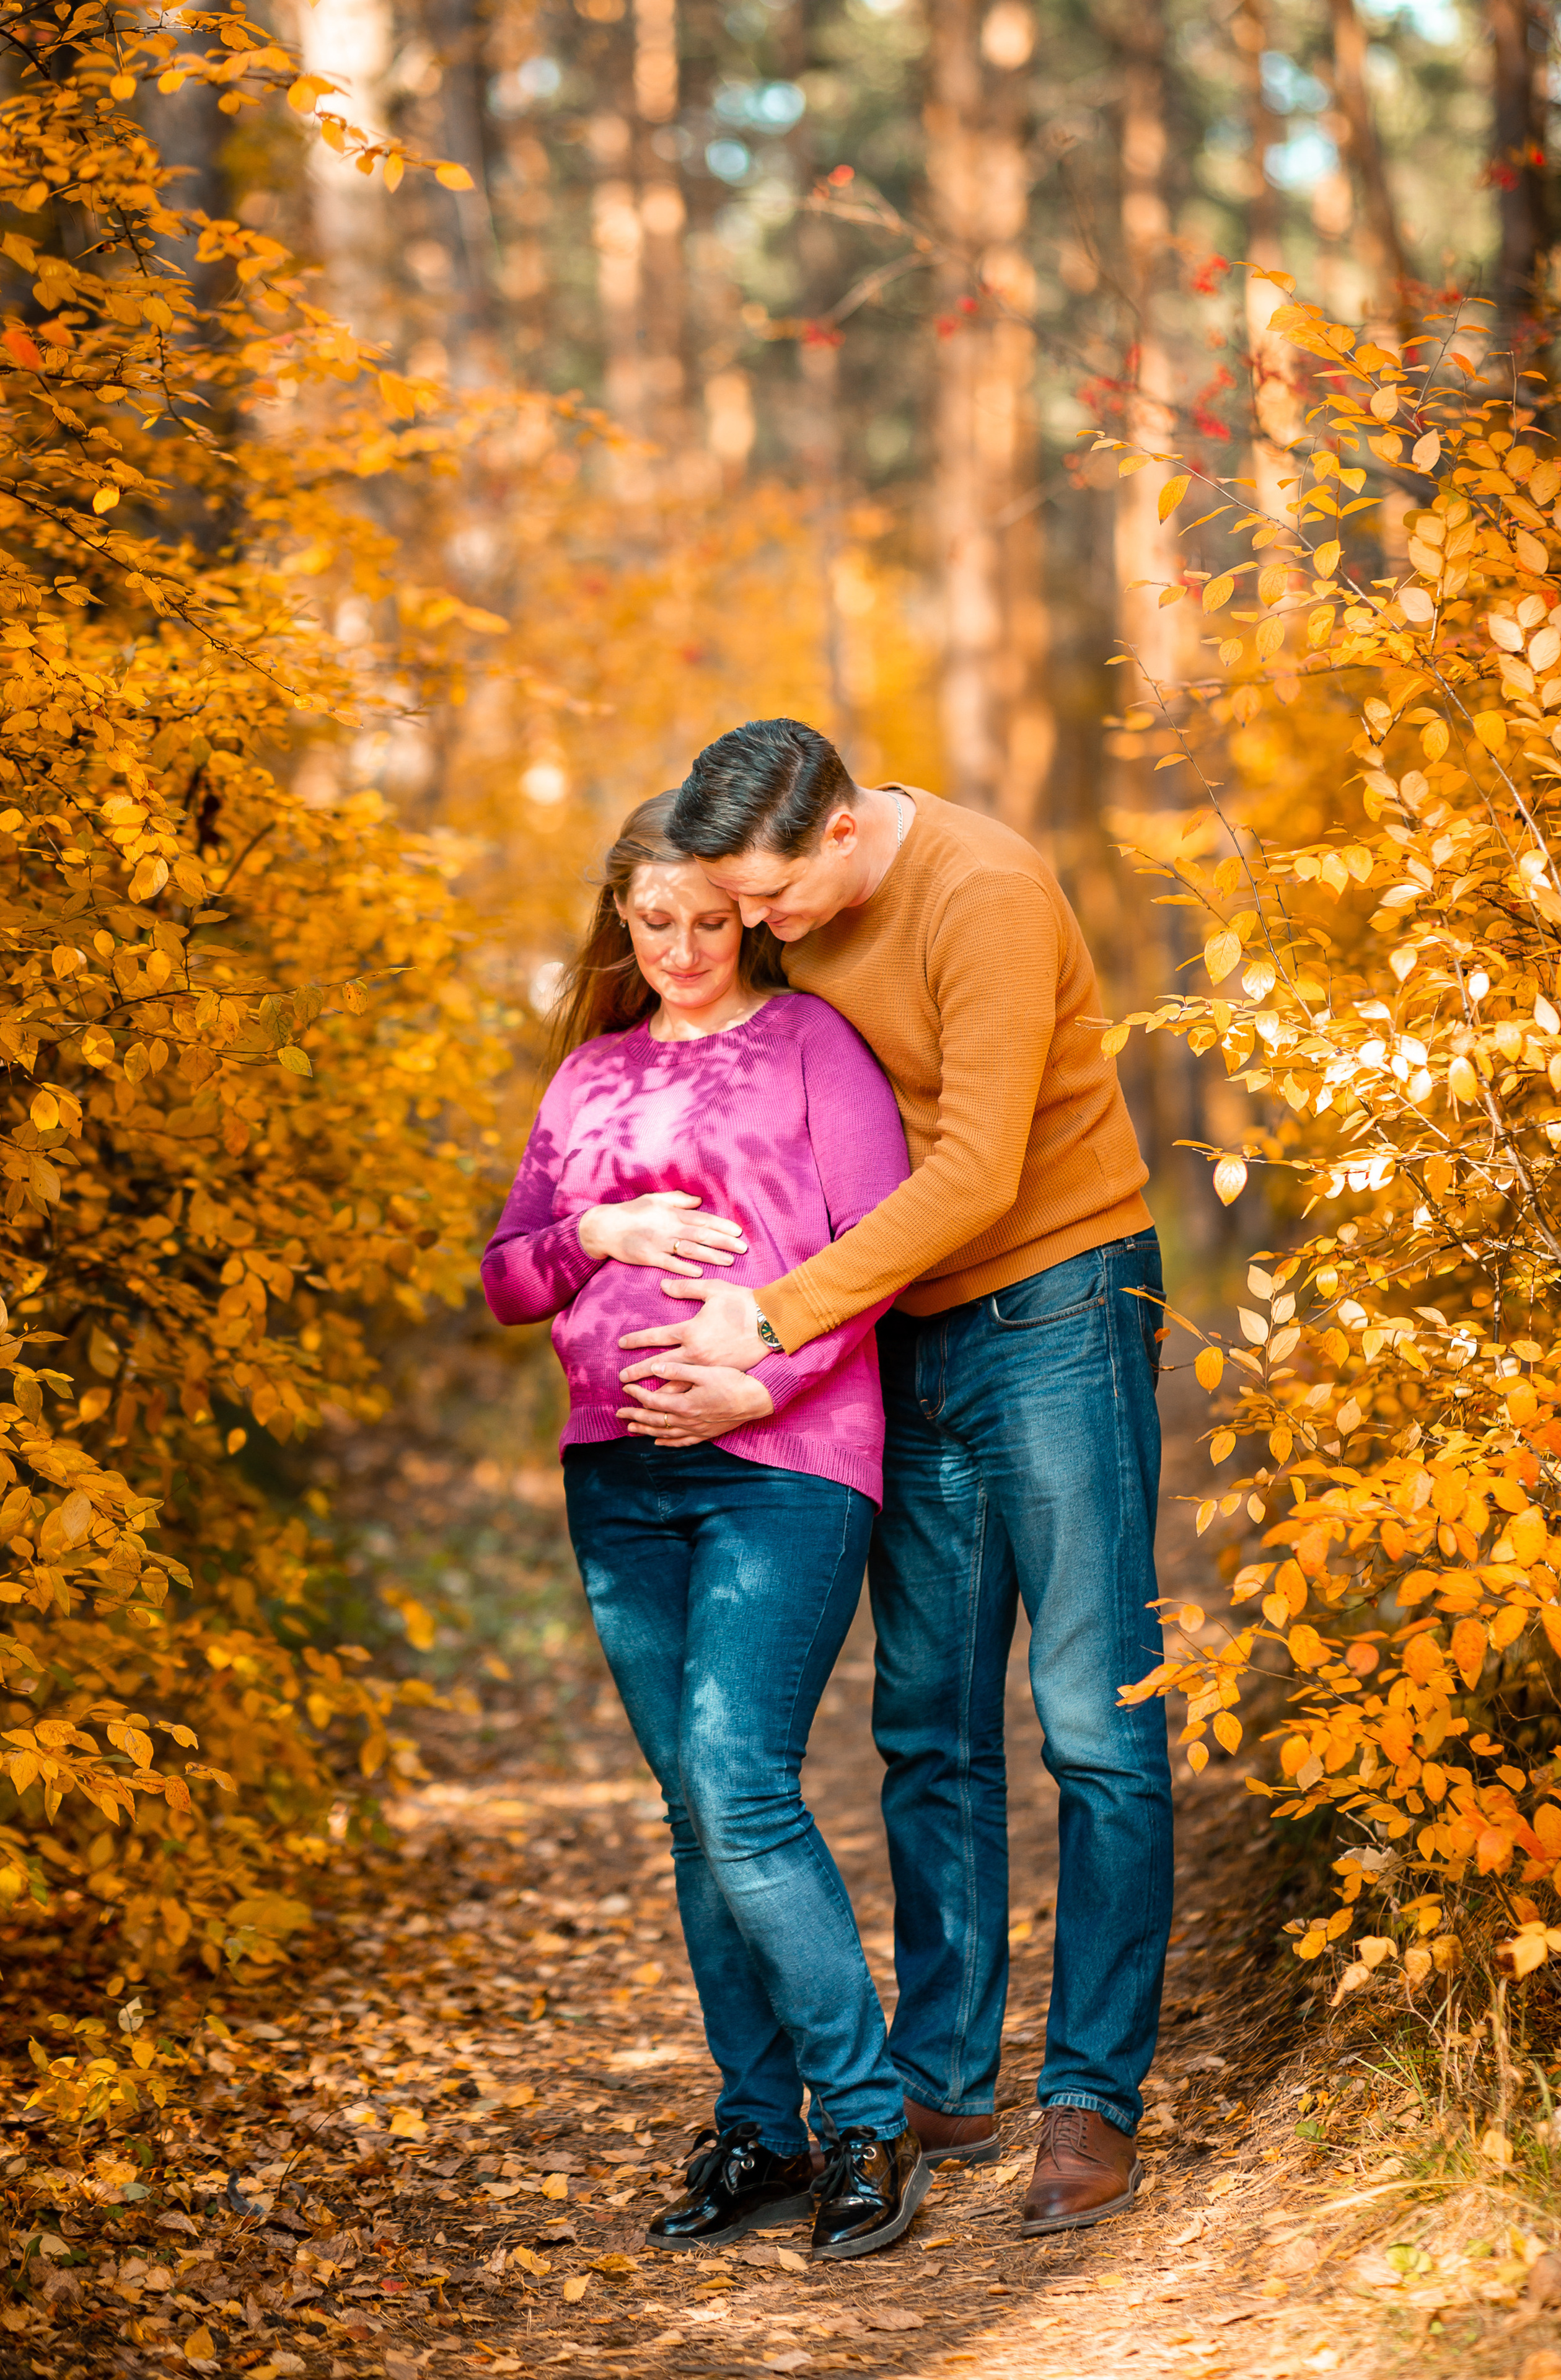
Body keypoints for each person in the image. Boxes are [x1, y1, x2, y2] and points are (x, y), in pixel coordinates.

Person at [612, 721, 1170, 2240]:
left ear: (844, 834)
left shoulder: (979, 890)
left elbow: (979, 1170)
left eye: (774, 899)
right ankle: (941, 2076)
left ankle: (1091, 2100)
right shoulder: (803, 907)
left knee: (1093, 1717)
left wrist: (774, 1316)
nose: (765, 931)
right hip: (907, 1333)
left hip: (1055, 1300)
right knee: (926, 1721)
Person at [480, 793, 931, 2262]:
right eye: (652, 920)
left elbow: (867, 1261)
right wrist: (592, 1234)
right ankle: (760, 2129)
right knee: (691, 1807)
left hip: (784, 1461)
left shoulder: (813, 1047)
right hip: (615, 1477)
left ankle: (865, 2121)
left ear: (748, 913)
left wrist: (755, 1378)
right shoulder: (585, 1081)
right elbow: (504, 1278)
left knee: (737, 1782)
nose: (680, 945)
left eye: (707, 918)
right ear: (622, 920)